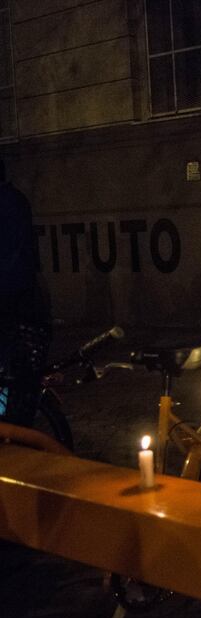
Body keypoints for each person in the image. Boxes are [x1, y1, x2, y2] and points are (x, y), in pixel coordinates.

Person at [0, 157, 50, 427]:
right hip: (23, 301)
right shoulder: (16, 199)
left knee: (10, 372)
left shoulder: (7, 202)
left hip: (12, 302)